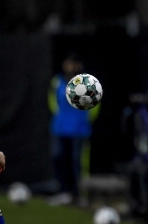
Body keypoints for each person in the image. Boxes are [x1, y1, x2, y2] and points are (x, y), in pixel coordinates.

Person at [47, 54, 100, 206]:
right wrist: (60, 118)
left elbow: (95, 105)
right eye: (67, 64)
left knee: (77, 161)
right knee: (58, 158)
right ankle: (63, 192)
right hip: (60, 128)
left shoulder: (88, 82)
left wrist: (83, 120)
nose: (69, 67)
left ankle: (80, 194)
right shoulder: (57, 82)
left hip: (79, 129)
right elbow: (53, 101)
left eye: (72, 64)